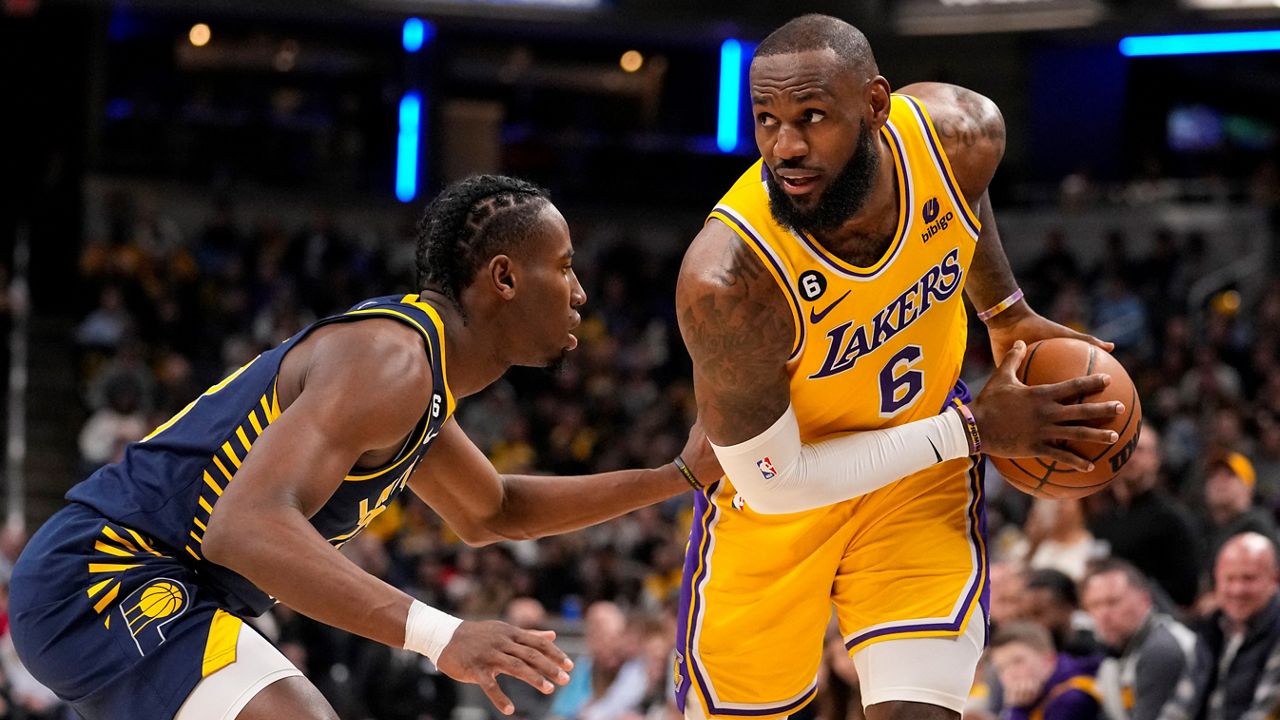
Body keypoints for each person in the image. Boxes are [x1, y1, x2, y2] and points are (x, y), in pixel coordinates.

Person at [9, 175, 720, 720]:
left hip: (168, 586)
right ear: (504, 278)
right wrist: (443, 635)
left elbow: (496, 511)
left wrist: (677, 475)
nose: (581, 292)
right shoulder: (392, 362)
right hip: (104, 575)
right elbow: (245, 525)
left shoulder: (420, 378)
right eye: (564, 266)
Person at [673, 14, 1127, 720]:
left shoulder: (961, 135)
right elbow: (774, 486)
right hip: (779, 507)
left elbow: (961, 199)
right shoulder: (727, 279)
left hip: (913, 484)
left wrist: (1004, 308)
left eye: (811, 117)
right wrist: (973, 432)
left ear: (876, 105)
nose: (784, 146)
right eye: (766, 121)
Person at [1088, 425, 1202, 609]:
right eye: (1123, 449)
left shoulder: (1173, 520)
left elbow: (1186, 592)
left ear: (1156, 459)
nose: (1130, 456)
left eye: (1139, 450)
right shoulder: (1104, 519)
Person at [1079, 559, 1204, 720]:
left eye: (1112, 602)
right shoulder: (1118, 653)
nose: (1104, 615)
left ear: (1145, 600)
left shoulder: (1161, 648)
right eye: (1094, 605)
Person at [1187, 533, 1280, 720]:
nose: (1237, 590)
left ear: (1274, 580)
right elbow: (1182, 702)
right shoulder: (1210, 628)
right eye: (1229, 579)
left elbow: (1266, 713)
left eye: (1249, 578)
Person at [988, 622, 1101, 720]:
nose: (1010, 674)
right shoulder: (1037, 698)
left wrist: (1018, 710)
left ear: (1049, 660)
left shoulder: (1072, 698)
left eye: (1018, 662)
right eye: (1001, 668)